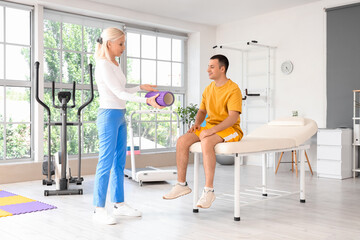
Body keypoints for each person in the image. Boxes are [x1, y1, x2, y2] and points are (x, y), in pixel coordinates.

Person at [93, 27, 163, 225]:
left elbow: (122, 90)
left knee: (119, 162)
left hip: (120, 114)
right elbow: (118, 93)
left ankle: (119, 204)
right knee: (105, 162)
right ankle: (99, 209)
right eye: (121, 44)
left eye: (124, 43)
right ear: (110, 44)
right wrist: (146, 101)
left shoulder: (114, 64)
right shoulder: (103, 65)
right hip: (108, 115)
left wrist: (141, 88)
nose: (124, 47)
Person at [163, 54, 243, 209]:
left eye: (211, 67)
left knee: (206, 141)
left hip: (231, 129)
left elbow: (233, 118)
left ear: (222, 68)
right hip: (210, 127)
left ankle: (209, 190)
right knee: (182, 141)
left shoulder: (234, 89)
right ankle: (181, 184)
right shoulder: (209, 89)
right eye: (208, 66)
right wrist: (197, 124)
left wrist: (211, 131)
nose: (208, 70)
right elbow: (201, 111)